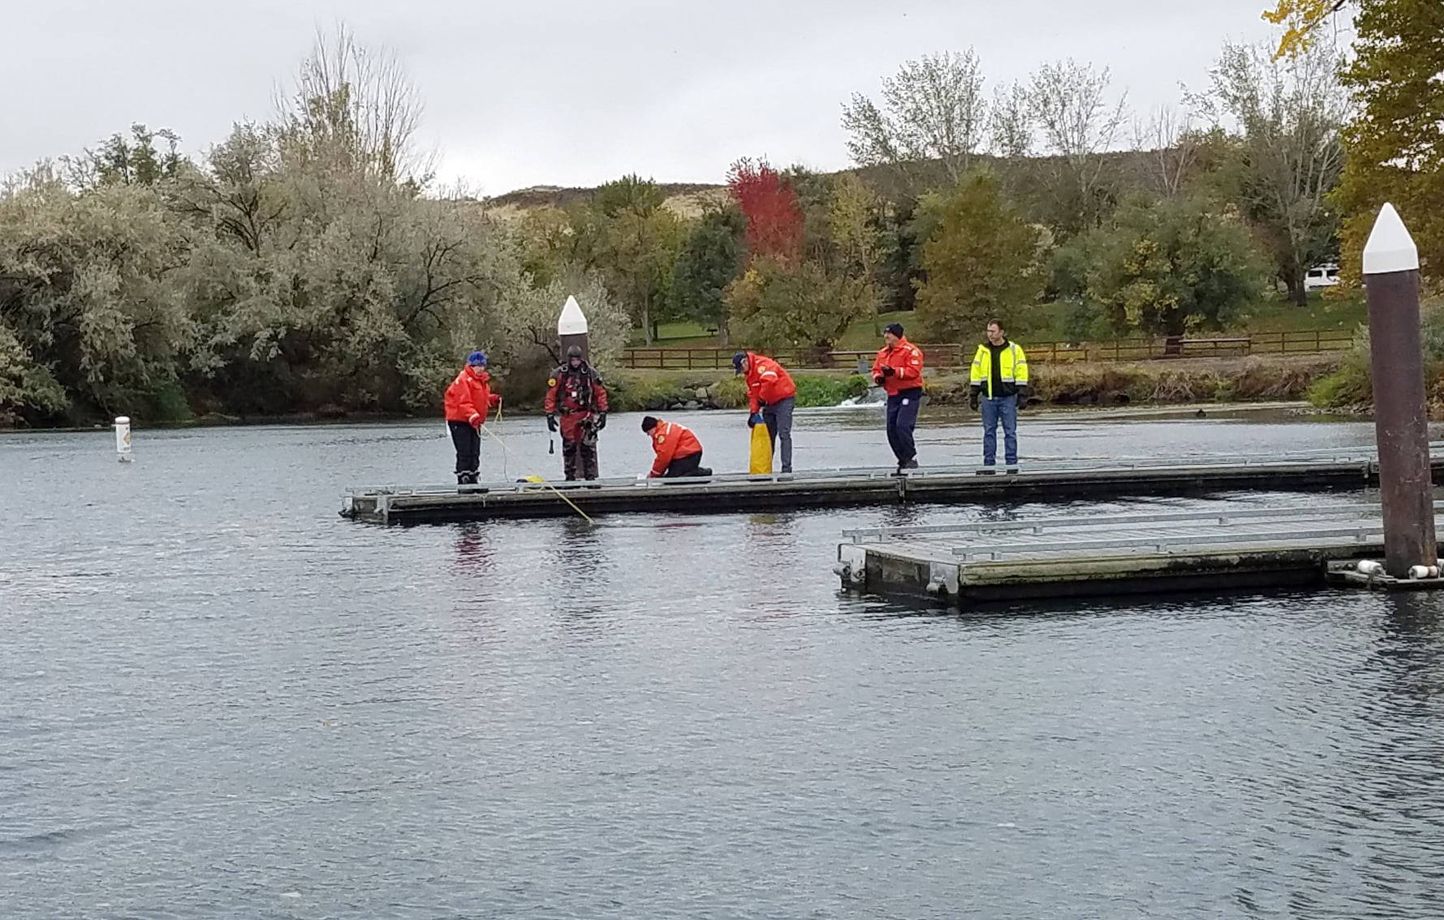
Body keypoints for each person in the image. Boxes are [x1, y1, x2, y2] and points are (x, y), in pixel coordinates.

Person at [969, 319, 1031, 469]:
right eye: (988, 331)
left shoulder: (1014, 350)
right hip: (988, 398)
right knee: (989, 432)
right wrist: (973, 394)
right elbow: (976, 372)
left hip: (1008, 398)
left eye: (993, 331)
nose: (989, 334)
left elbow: (1021, 371)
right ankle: (989, 463)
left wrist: (1022, 393)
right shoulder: (982, 351)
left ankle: (1011, 463)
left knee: (1010, 432)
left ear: (1001, 332)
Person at [544, 345, 610, 480]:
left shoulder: (590, 373)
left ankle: (590, 478)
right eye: (573, 360)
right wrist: (549, 414)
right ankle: (570, 477)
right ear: (569, 360)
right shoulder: (560, 374)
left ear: (581, 359)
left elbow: (600, 393)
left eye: (577, 360)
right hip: (568, 416)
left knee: (588, 447)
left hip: (586, 415)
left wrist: (603, 413)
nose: (575, 363)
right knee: (569, 447)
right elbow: (551, 395)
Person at [871, 322, 925, 473]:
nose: (886, 336)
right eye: (885, 333)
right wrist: (879, 378)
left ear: (898, 335)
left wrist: (894, 372)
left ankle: (911, 457)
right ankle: (902, 459)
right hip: (893, 394)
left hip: (910, 392)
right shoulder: (882, 353)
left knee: (902, 425)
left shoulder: (911, 351)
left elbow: (913, 371)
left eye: (890, 334)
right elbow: (875, 369)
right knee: (891, 429)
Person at [733, 351, 797, 473]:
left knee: (784, 434)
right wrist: (753, 412)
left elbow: (769, 382)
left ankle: (786, 469)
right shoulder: (749, 375)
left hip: (784, 399)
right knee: (768, 436)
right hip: (769, 402)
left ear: (745, 362)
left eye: (741, 369)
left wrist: (762, 398)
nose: (742, 372)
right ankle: (765, 468)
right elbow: (753, 394)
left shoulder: (764, 364)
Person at [444, 351, 502, 485]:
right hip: (459, 421)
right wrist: (473, 415)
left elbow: (481, 399)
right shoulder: (462, 380)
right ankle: (464, 479)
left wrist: (493, 399)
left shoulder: (481, 383)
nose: (481, 368)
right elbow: (463, 402)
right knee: (464, 452)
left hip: (474, 422)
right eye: (478, 366)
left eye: (483, 365)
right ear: (471, 366)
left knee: (475, 451)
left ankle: (473, 478)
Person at [641, 416, 712, 478]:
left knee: (674, 479)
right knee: (670, 477)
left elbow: (664, 456)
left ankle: (702, 473)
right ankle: (692, 471)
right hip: (684, 455)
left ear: (652, 428)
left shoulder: (664, 434)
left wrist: (654, 473)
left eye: (648, 432)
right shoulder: (664, 429)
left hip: (689, 455)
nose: (648, 435)